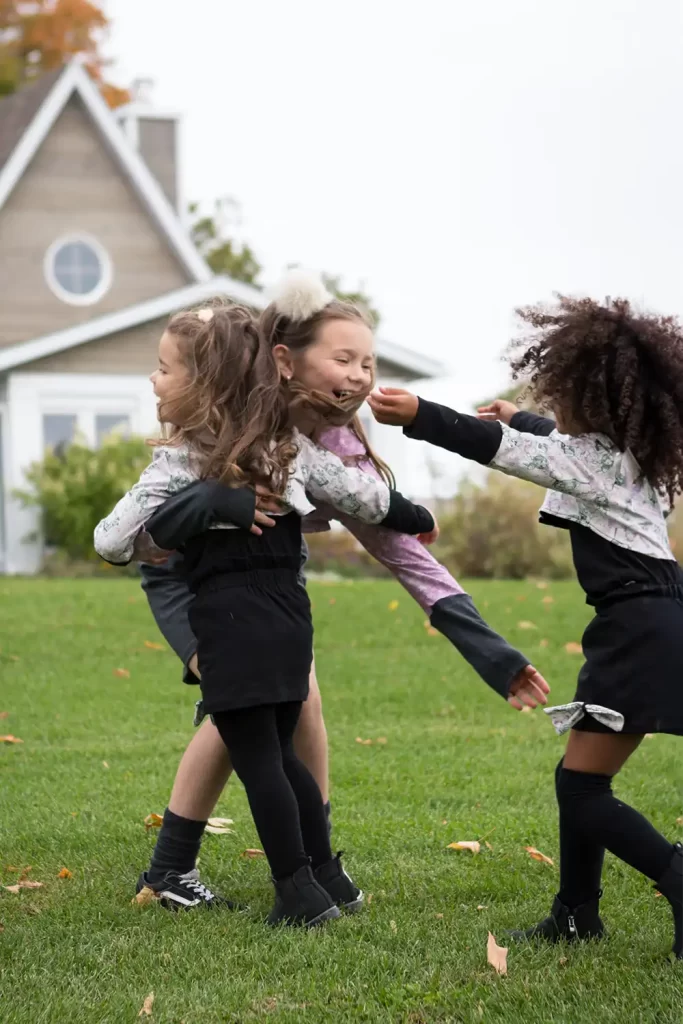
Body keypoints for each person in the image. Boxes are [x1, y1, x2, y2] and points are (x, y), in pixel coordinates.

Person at [133, 272, 550, 913]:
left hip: (263, 587)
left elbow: (400, 549)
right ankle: (175, 872)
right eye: (343, 358)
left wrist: (491, 653)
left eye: (368, 362)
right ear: (285, 360)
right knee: (239, 708)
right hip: (187, 577)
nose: (359, 376)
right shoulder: (241, 411)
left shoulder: (324, 445)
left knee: (293, 702)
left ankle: (316, 865)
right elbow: (149, 521)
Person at [94, 299, 439, 928]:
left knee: (260, 763)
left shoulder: (179, 463)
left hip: (232, 625)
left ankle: (297, 892)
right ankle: (324, 877)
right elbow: (361, 493)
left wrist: (197, 502)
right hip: (290, 616)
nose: (153, 379)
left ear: (204, 386)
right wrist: (417, 516)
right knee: (280, 755)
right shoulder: (288, 449)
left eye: (165, 368)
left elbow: (111, 540)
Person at [369, 295, 683, 959]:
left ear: (586, 396)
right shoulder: (633, 456)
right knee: (582, 780)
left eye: (559, 392)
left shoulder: (587, 461)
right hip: (653, 623)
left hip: (636, 630)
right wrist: (527, 418)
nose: (553, 402)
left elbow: (504, 451)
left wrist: (420, 416)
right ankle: (574, 913)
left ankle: (673, 878)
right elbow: (557, 446)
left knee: (580, 786)